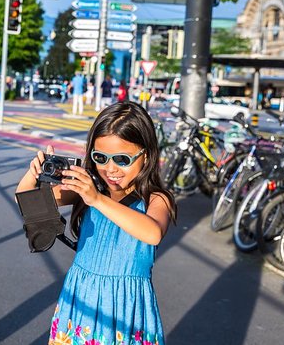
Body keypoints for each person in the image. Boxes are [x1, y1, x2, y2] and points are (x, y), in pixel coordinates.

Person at [16, 101, 176, 345]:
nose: (110, 169)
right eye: (100, 157)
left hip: (125, 310)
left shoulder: (156, 199)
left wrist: (97, 199)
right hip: (81, 301)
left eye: (122, 159)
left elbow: (152, 233)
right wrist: (34, 174)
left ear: (146, 155)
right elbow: (29, 203)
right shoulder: (89, 189)